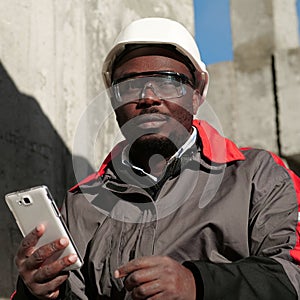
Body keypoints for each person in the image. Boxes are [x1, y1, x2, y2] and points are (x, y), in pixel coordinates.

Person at [12, 17, 300, 300]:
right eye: (128, 85)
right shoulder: (81, 205)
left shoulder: (259, 177)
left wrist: (197, 284)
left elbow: (292, 276)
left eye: (167, 81)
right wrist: (36, 292)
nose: (147, 96)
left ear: (197, 94)